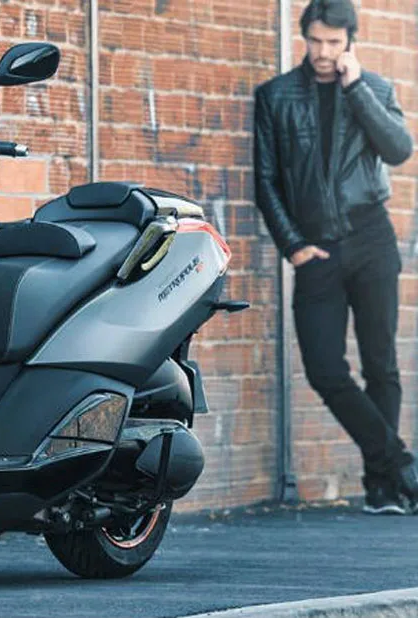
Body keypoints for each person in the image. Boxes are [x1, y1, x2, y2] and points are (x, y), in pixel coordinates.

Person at [253, 0, 416, 514]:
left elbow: (398, 149)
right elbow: (265, 181)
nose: (323, 52)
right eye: (315, 41)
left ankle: (382, 489)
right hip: (316, 249)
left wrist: (356, 87)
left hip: (371, 239)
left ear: (349, 43)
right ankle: (401, 463)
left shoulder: (374, 90)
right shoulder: (275, 96)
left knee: (381, 365)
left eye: (333, 43)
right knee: (324, 368)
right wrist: (294, 246)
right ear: (304, 37)